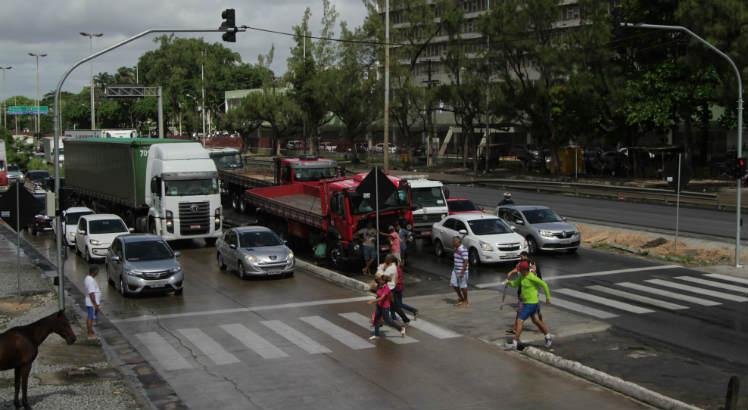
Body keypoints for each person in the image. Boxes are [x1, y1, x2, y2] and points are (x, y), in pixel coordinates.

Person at [504, 261, 552, 349]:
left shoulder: (531, 277)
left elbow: (544, 284)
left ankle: (514, 343)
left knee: (519, 321)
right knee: (536, 321)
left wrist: (548, 297)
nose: (519, 271)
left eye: (520, 270)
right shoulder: (522, 277)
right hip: (528, 303)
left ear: (525, 270)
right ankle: (548, 337)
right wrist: (508, 282)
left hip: (531, 303)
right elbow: (515, 284)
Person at [367, 274, 406, 340]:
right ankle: (376, 335)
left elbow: (382, 298)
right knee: (376, 320)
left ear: (384, 281)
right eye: (380, 280)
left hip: (385, 307)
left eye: (381, 280)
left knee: (388, 321)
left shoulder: (386, 288)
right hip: (379, 306)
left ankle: (401, 328)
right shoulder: (380, 285)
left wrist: (372, 301)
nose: (380, 281)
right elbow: (377, 292)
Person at [451, 236, 470, 306]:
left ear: (458, 242)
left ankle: (466, 300)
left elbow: (466, 261)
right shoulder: (456, 248)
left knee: (463, 286)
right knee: (453, 284)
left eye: (453, 241)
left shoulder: (463, 249)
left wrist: (462, 272)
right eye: (452, 241)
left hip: (462, 271)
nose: (452, 243)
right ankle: (461, 298)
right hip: (455, 270)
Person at [84, 266, 102, 340]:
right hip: (91, 303)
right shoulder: (90, 280)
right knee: (90, 318)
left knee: (90, 317)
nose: (98, 273)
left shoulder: (88, 278)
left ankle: (90, 332)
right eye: (97, 272)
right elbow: (92, 294)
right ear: (94, 272)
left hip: (91, 303)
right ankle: (90, 334)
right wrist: (95, 305)